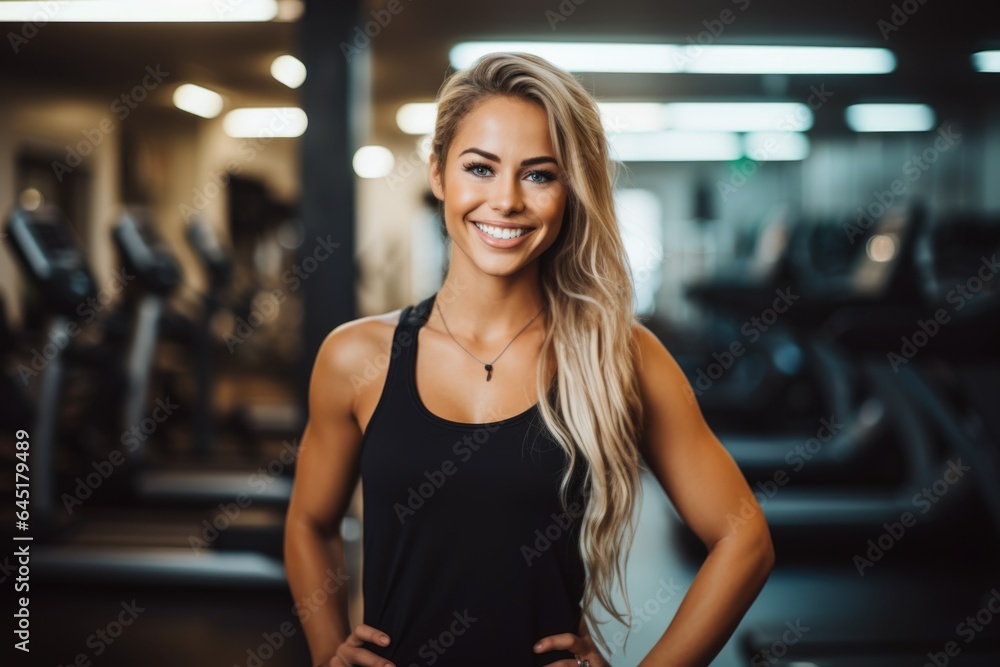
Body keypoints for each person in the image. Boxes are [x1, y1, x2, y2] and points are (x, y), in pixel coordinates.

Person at [283, 52, 775, 667]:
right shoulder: (356, 356)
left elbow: (743, 537)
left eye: (539, 175)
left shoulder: (617, 355)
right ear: (438, 174)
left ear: (570, 191)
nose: (507, 200)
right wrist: (328, 650)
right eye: (480, 168)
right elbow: (309, 523)